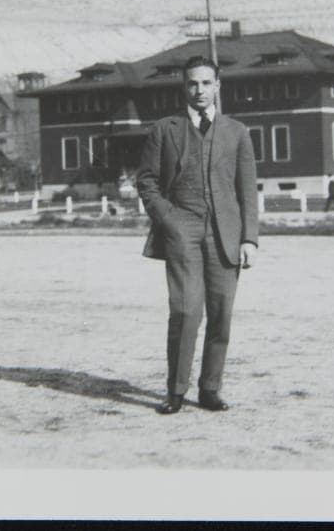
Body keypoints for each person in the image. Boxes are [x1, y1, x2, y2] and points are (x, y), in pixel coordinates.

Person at [137, 55, 259, 415]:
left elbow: (247, 190)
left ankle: (210, 389)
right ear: (184, 87)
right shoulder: (165, 129)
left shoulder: (237, 133)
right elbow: (146, 180)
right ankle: (175, 391)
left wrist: (249, 238)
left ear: (218, 86)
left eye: (207, 83)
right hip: (182, 229)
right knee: (187, 311)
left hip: (226, 233)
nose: (199, 90)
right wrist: (168, 219)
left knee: (221, 314)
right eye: (192, 83)